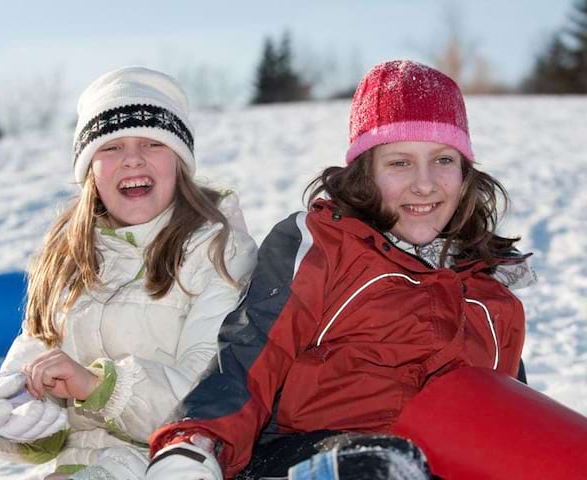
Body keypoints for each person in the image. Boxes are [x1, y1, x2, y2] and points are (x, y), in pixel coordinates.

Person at [144, 60, 541, 480]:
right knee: (384, 466)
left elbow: (515, 424)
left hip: (436, 468)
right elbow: (253, 349)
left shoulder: (491, 296)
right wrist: (197, 443)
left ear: (465, 173)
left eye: (443, 160)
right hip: (307, 459)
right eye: (399, 163)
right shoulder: (323, 247)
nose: (425, 184)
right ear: (364, 172)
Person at [0, 66, 257, 480]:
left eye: (152, 143)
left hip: (170, 464)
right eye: (112, 147)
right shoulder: (66, 259)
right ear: (89, 170)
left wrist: (98, 387)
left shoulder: (218, 251)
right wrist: (14, 417)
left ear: (179, 162)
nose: (133, 158)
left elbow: (208, 399)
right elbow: (32, 370)